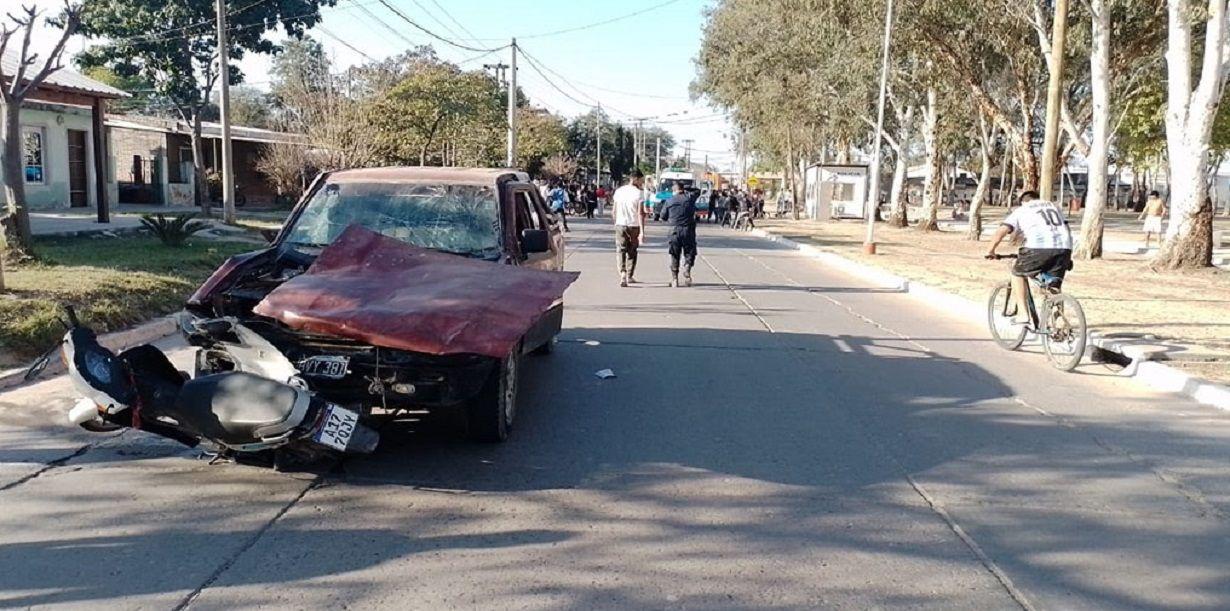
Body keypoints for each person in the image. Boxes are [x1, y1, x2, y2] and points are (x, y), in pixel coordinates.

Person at [985, 191, 1074, 323]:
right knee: (1053, 286)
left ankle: (1023, 314)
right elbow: (1067, 229)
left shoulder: (1022, 209)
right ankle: (1058, 320)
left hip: (1037, 248)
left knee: (1017, 274)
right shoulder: (1054, 207)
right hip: (1064, 248)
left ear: (1023, 201)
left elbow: (1002, 230)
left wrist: (990, 250)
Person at [661, 181, 699, 287]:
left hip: (674, 231)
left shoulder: (669, 201)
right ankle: (687, 268)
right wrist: (687, 188)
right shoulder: (690, 199)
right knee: (690, 252)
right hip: (688, 230)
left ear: (674, 190)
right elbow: (697, 191)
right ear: (682, 189)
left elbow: (663, 216)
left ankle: (675, 279)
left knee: (674, 254)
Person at [612, 170, 646, 287]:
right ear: (635, 179)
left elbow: (614, 211)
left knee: (621, 250)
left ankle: (622, 273)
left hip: (620, 224)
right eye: (641, 180)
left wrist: (616, 223)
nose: (642, 183)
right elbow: (640, 213)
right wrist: (642, 231)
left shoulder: (619, 191)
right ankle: (629, 275)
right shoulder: (639, 193)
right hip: (634, 225)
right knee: (632, 251)